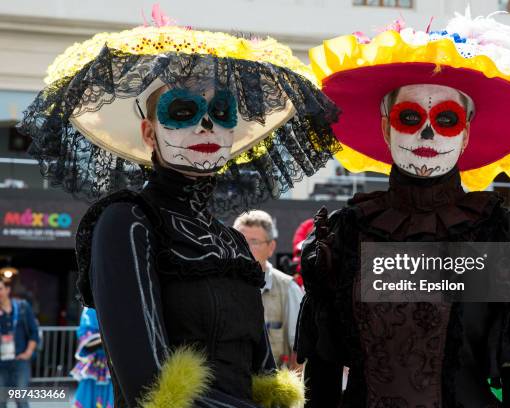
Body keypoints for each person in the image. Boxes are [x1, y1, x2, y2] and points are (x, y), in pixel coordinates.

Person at [18, 6, 340, 408]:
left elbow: (263, 374)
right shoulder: (129, 222)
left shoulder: (233, 243)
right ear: (149, 133)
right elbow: (149, 387)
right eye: (183, 111)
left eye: (221, 113)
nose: (207, 126)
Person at [295, 10, 510, 408]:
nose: (427, 133)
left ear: (467, 131)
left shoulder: (503, 237)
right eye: (410, 117)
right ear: (386, 128)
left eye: (446, 119)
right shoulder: (344, 236)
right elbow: (323, 375)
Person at [233, 211, 304, 368]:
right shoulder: (222, 287)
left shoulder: (288, 288)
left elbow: (299, 353)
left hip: (271, 387)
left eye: (254, 242)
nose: (246, 248)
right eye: (240, 241)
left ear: (271, 247)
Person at [0, 278, 39, 408]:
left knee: (21, 401)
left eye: (0, 289)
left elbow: (34, 332)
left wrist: (28, 353)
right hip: (1, 364)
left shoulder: (22, 307)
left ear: (7, 290)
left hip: (20, 361)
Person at [71, 307, 113, 408]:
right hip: (94, 362)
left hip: (112, 364)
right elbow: (85, 337)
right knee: (87, 395)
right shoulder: (89, 309)